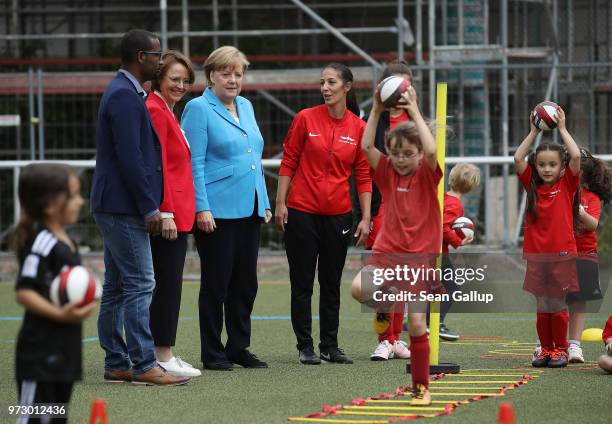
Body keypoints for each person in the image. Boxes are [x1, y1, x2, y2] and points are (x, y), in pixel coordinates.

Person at [91, 29, 190, 386]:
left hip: (115, 204)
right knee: (140, 282)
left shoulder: (127, 93)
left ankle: (118, 362)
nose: (159, 60)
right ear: (139, 57)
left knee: (118, 286)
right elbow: (131, 159)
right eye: (155, 54)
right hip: (123, 206)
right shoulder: (124, 95)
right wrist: (151, 208)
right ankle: (144, 363)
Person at [182, 46, 272, 371]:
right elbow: (194, 163)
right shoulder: (197, 109)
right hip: (215, 211)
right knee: (216, 283)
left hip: (249, 208)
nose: (233, 80)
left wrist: (263, 200)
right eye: (226, 73)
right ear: (210, 76)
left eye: (238, 73)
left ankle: (238, 347)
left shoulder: (246, 105)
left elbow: (253, 156)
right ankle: (212, 351)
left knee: (246, 283)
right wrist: (200, 207)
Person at [276, 63, 372, 365]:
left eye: (331, 82)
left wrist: (366, 217)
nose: (325, 88)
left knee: (331, 283)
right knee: (302, 282)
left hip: (339, 216)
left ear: (347, 86)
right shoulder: (305, 119)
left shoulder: (359, 127)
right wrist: (281, 203)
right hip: (301, 212)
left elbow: (363, 174)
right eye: (322, 83)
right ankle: (305, 346)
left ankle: (330, 345)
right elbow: (289, 161)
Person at [352, 83, 442, 406]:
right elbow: (365, 148)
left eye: (408, 154)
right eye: (396, 153)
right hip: (387, 251)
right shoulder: (387, 171)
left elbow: (432, 151)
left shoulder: (428, 173)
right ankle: (384, 304)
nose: (401, 159)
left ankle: (421, 387)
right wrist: (375, 109)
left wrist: (414, 109)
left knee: (417, 323)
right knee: (359, 289)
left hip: (419, 257)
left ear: (419, 154)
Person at [11, 164, 95, 423]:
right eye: (73, 196)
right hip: (39, 357)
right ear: (49, 204)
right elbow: (25, 291)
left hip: (64, 354)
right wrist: (60, 314)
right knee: (31, 418)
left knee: (56, 418)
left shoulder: (66, 241)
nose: (80, 201)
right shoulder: (42, 242)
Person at [145, 50, 200, 377]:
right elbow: (157, 165)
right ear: (158, 80)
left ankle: (161, 352)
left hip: (178, 213)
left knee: (167, 283)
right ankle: (161, 354)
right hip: (168, 215)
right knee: (166, 285)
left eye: (185, 80)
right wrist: (164, 211)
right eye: (174, 80)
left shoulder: (167, 111)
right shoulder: (155, 110)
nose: (181, 85)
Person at [514, 107, 581, 369]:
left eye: (553, 164)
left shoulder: (567, 184)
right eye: (541, 164)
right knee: (542, 303)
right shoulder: (532, 184)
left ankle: (560, 350)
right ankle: (545, 349)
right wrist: (533, 131)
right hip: (536, 255)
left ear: (563, 168)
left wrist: (562, 128)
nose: (547, 169)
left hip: (563, 254)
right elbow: (519, 157)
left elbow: (575, 154)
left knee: (557, 302)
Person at [424, 163, 481, 341]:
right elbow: (443, 226)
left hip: (428, 249)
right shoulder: (455, 204)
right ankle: (435, 322)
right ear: (471, 186)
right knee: (452, 287)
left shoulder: (442, 196)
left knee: (433, 288)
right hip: (437, 252)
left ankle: (424, 321)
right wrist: (459, 241)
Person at [566, 148, 611, 363]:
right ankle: (548, 343)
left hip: (584, 255)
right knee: (554, 301)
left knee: (578, 301)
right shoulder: (557, 191)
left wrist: (579, 209)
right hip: (560, 254)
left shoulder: (591, 197)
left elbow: (592, 225)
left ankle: (574, 346)